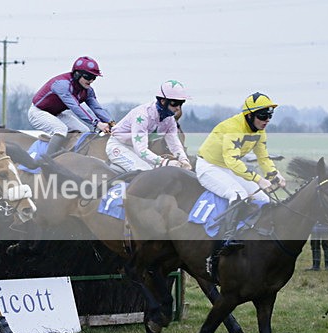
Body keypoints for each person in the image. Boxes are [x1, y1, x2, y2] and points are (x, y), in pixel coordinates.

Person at [196, 92, 286, 254]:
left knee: (263, 199)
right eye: (263, 116)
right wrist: (259, 180)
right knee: (238, 194)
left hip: (228, 168)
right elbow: (232, 161)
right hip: (209, 166)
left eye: (270, 116)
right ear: (249, 115)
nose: (267, 120)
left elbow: (263, 158)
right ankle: (227, 239)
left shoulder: (260, 131)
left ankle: (253, 234)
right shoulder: (233, 128)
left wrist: (274, 174)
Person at [28, 56, 114, 156]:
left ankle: (70, 156)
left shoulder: (88, 91)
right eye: (88, 76)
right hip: (38, 112)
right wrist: (97, 123)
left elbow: (97, 108)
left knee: (84, 131)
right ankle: (48, 160)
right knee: (61, 129)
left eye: (94, 77)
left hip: (56, 114)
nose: (91, 80)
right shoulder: (62, 85)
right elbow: (75, 107)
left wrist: (112, 123)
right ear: (77, 74)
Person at [106, 80, 192, 171]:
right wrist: (165, 162)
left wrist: (183, 160)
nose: (178, 108)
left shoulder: (170, 120)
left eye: (181, 104)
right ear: (163, 101)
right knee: (144, 170)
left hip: (135, 149)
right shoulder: (142, 116)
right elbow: (141, 150)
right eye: (175, 103)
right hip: (118, 146)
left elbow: (174, 144)